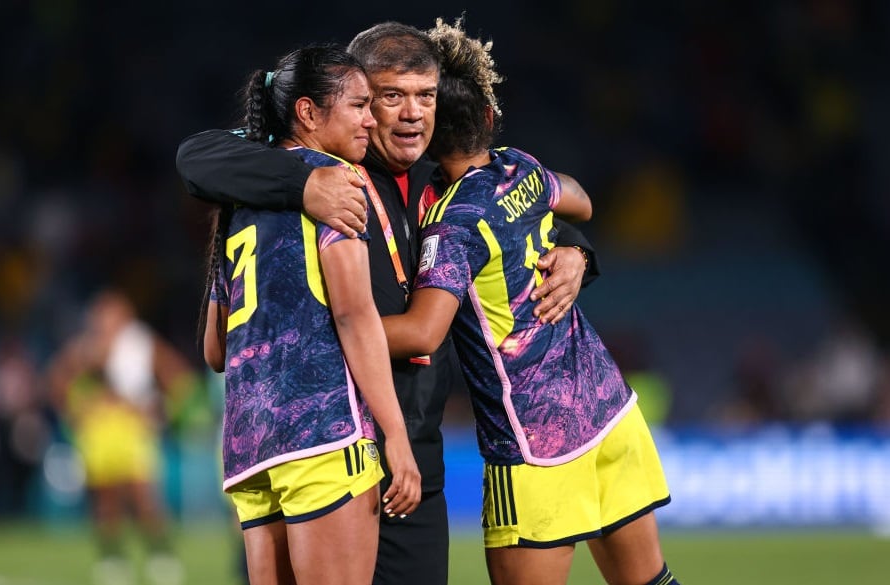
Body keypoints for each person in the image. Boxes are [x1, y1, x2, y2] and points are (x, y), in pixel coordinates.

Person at [176, 21, 600, 585]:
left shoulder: (442, 176)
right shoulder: (332, 169)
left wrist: (575, 251)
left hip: (413, 451)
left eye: (424, 96)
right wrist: (303, 184)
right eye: (387, 97)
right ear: (355, 98)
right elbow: (195, 155)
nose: (410, 114)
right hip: (341, 436)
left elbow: (519, 202)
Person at [377, 18, 680, 585]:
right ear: (490, 119)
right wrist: (569, 248)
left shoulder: (452, 222)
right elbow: (582, 201)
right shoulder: (520, 165)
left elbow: (422, 333)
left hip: (534, 441)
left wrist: (327, 326)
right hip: (608, 409)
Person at [198, 44, 421, 585]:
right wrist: (396, 434)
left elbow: (215, 350)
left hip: (251, 444)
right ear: (308, 112)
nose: (373, 120)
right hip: (321, 434)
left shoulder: (238, 197)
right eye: (359, 106)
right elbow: (354, 317)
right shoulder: (333, 182)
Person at [47, 288, 196, 585]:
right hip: (99, 430)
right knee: (105, 500)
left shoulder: (140, 344)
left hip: (132, 429)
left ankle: (160, 555)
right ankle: (112, 561)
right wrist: (75, 412)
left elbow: (179, 377)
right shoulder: (86, 347)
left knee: (144, 497)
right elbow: (57, 379)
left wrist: (162, 411)